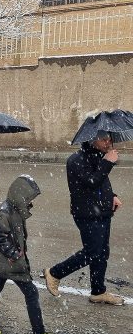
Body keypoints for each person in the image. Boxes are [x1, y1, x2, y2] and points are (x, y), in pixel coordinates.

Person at [0, 175, 66, 334]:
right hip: (10, 262)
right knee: (31, 293)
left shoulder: (15, 208)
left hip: (6, 261)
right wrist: (14, 254)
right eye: (28, 198)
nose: (30, 201)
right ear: (19, 194)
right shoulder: (6, 211)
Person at [44, 131, 124, 306]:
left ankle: (98, 291)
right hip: (87, 213)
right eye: (104, 139)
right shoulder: (76, 160)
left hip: (102, 211)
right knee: (92, 253)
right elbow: (92, 182)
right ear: (92, 139)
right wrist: (107, 162)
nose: (108, 142)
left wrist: (112, 195)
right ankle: (54, 273)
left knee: (102, 253)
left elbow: (102, 183)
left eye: (109, 139)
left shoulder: (98, 156)